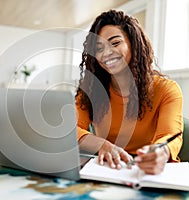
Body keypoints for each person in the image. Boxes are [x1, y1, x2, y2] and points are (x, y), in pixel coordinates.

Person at [75, 9, 183, 175]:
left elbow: (171, 135)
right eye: (98, 48)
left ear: (134, 43)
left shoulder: (166, 89)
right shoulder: (90, 90)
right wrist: (102, 145)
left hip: (150, 174)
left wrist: (161, 152)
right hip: (108, 170)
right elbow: (72, 129)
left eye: (115, 43)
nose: (106, 53)